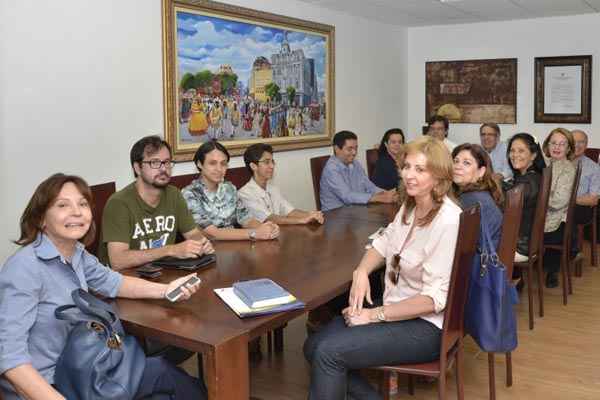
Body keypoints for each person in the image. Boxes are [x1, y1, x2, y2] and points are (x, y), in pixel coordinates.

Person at [0, 174, 207, 400]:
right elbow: (9, 358)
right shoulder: (24, 268)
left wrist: (166, 290)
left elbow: (114, 282)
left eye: (82, 204)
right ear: (41, 218)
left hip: (87, 368)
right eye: (62, 205)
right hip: (53, 386)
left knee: (166, 375)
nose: (77, 212)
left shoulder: (75, 252)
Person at [304, 136, 461, 400]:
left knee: (328, 353)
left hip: (425, 327)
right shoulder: (411, 205)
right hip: (396, 305)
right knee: (313, 346)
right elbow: (384, 241)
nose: (409, 175)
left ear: (439, 177)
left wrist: (373, 314)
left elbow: (434, 299)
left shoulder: (448, 220)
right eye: (407, 166)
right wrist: (361, 271)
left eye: (420, 170)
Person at [98, 136, 213, 271]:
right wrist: (170, 250)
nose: (163, 168)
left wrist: (201, 243)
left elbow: (192, 233)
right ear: (137, 168)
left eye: (167, 162)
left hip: (161, 272)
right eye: (154, 162)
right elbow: (118, 261)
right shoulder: (118, 203)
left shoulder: (174, 195)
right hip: (123, 280)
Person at [182, 140, 279, 241]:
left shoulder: (229, 188)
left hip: (237, 248)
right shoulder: (190, 194)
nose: (219, 169)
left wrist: (267, 228)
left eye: (223, 164)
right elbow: (212, 234)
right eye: (212, 163)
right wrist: (254, 233)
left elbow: (246, 219)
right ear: (199, 164)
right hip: (209, 251)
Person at [239, 143, 324, 225]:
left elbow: (290, 211)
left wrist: (311, 215)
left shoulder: (273, 189)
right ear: (253, 166)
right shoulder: (245, 194)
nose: (272, 166)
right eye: (267, 162)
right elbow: (270, 218)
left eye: (272, 161)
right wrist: (302, 220)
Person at [320, 130, 397, 212]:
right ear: (337, 149)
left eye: (356, 148)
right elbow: (347, 196)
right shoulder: (331, 169)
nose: (354, 152)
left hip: (354, 210)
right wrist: (378, 198)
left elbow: (369, 186)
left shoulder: (355, 163)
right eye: (350, 149)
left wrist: (386, 193)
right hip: (335, 215)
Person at [452, 143, 503, 254]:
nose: (457, 166)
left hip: (478, 264)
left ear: (481, 171)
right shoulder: (480, 192)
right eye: (456, 161)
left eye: (466, 163)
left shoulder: (470, 199)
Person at [541, 128, 577, 288]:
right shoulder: (543, 164)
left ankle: (550, 270)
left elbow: (557, 202)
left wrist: (536, 198)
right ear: (547, 145)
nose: (557, 147)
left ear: (568, 148)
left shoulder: (568, 169)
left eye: (562, 144)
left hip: (555, 224)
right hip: (542, 218)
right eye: (553, 143)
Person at [502, 133, 546, 263]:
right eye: (512, 151)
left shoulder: (527, 182)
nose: (515, 155)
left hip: (520, 247)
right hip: (529, 242)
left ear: (533, 155)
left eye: (521, 151)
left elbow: (507, 209)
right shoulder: (534, 176)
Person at [571, 129, 600, 226]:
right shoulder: (558, 162)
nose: (577, 145)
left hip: (580, 208)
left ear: (586, 145)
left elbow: (593, 199)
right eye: (573, 141)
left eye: (581, 142)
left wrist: (568, 200)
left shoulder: (594, 168)